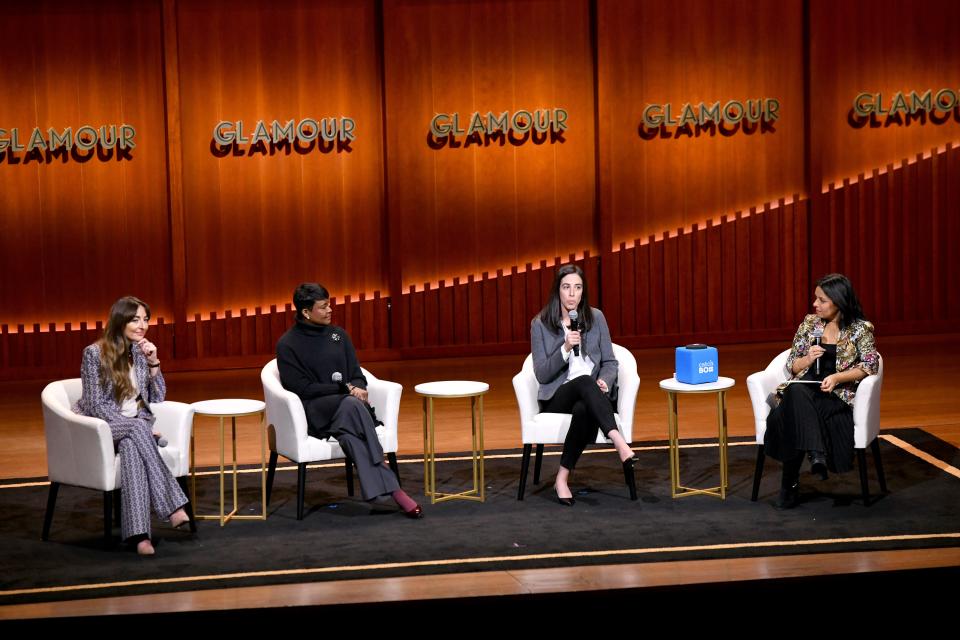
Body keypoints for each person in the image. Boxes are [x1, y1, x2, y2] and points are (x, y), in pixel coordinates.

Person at [276, 283, 422, 518]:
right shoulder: (288, 344)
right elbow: (301, 388)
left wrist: (359, 388)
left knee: (351, 436)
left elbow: (356, 373)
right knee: (352, 405)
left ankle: (385, 491)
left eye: (329, 304)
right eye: (323, 307)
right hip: (316, 411)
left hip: (347, 411)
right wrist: (344, 389)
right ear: (306, 312)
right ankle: (392, 484)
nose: (330, 310)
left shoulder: (338, 336)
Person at [76, 296, 191, 555]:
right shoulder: (94, 353)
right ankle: (173, 505)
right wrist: (134, 425)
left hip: (132, 431)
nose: (143, 325)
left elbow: (158, 398)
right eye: (135, 319)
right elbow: (95, 405)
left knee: (131, 448)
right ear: (120, 321)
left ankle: (141, 538)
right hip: (101, 428)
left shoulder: (140, 352)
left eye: (146, 319)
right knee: (138, 430)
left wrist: (153, 363)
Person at [764, 273, 880, 509]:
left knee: (791, 407)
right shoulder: (809, 324)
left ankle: (790, 484)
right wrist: (807, 359)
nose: (815, 304)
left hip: (834, 395)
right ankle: (817, 452)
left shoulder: (860, 329)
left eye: (822, 300)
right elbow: (791, 365)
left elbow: (869, 365)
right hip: (804, 387)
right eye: (815, 298)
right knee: (796, 393)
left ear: (838, 301)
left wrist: (837, 377)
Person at [531, 264, 636, 506]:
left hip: (591, 395)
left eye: (577, 288)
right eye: (566, 287)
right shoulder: (540, 324)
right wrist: (565, 348)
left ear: (582, 292)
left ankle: (562, 478)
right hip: (558, 396)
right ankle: (619, 443)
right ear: (557, 291)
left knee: (584, 408)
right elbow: (542, 374)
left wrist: (604, 381)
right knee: (583, 382)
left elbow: (610, 362)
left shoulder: (596, 318)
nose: (571, 294)